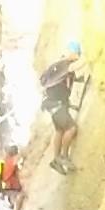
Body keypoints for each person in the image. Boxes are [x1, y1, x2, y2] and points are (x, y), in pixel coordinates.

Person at [39, 41, 84, 173]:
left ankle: (56, 159)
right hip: (57, 105)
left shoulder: (59, 66)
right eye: (77, 53)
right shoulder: (65, 65)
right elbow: (76, 67)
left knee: (59, 131)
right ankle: (64, 156)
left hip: (52, 105)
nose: (77, 56)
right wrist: (91, 57)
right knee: (71, 128)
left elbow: (66, 81)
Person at [0, 146, 26, 210]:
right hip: (11, 187)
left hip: (9, 189)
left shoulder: (5, 162)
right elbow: (19, 158)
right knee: (20, 197)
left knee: (17, 200)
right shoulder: (11, 161)